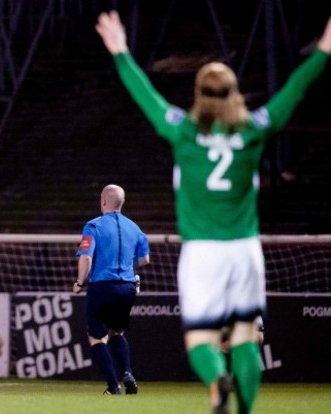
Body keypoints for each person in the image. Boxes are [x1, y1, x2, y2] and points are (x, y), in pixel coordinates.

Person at [95, 11, 331, 414]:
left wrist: (120, 52)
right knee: (244, 337)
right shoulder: (256, 127)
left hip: (202, 252)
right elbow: (296, 87)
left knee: (201, 340)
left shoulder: (181, 130)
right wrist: (325, 49)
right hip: (243, 250)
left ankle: (216, 379)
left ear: (199, 93)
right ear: (236, 91)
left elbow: (145, 94)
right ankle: (244, 409)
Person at [73, 184, 150, 395]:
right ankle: (127, 373)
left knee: (97, 337)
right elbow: (145, 259)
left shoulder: (93, 226)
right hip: (127, 287)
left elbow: (86, 257)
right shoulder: (135, 228)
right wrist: (126, 265)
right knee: (117, 332)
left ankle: (113, 387)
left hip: (102, 286)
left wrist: (80, 282)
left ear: (104, 201)